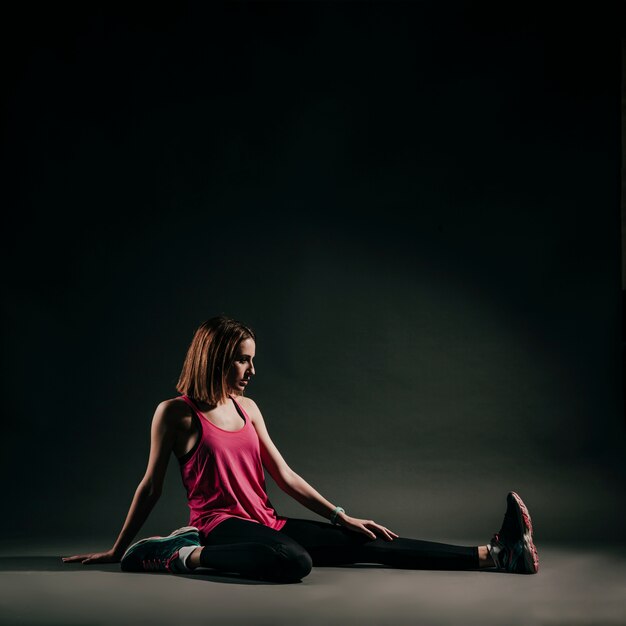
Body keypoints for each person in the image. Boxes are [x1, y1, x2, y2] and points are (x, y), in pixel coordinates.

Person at [62, 315, 539, 582]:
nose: (251, 370)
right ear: (215, 358)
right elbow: (150, 487)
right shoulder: (176, 413)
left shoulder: (249, 408)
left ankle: (495, 555)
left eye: (253, 360)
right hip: (219, 527)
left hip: (265, 521)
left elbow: (284, 476)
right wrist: (117, 549)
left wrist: (340, 517)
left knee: (367, 542)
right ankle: (174, 554)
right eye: (242, 360)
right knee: (294, 562)